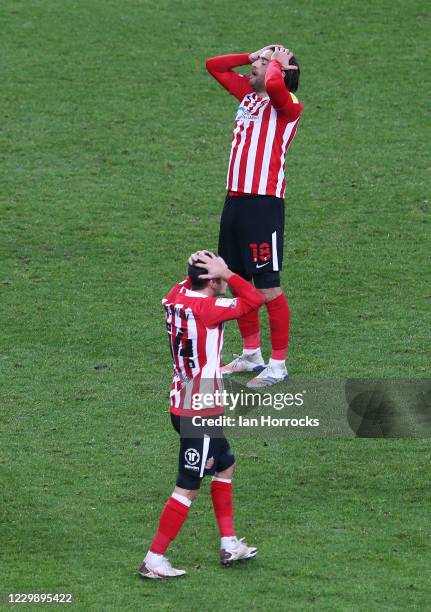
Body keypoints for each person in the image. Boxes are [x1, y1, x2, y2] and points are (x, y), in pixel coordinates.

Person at [139, 251, 265, 579]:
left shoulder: (175, 295)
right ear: (210, 282)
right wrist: (232, 276)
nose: (226, 277)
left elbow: (190, 282)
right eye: (221, 275)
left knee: (225, 464)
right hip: (201, 411)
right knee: (188, 486)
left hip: (180, 400)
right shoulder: (209, 310)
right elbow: (253, 300)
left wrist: (208, 267)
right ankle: (154, 558)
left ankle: (228, 543)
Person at [206, 45, 304, 387]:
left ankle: (278, 365)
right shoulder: (249, 96)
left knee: (269, 288)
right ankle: (251, 355)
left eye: (265, 64)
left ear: (282, 72)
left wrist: (275, 64)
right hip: (235, 203)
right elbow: (214, 66)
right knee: (234, 278)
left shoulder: (288, 105)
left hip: (264, 205)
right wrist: (251, 55)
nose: (257, 68)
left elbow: (277, 86)